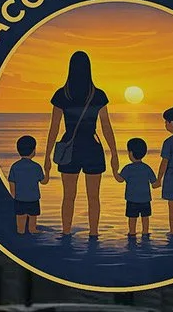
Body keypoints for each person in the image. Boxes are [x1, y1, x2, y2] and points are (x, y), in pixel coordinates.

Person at [42, 51, 117, 238]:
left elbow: (54, 128)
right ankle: (94, 234)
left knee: (68, 196)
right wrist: (114, 153)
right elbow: (106, 126)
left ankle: (66, 232)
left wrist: (47, 156)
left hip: (70, 148)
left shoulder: (62, 95)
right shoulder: (98, 95)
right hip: (92, 147)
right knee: (94, 197)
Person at [115, 138, 156, 239]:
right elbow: (154, 182)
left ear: (131, 153)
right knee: (145, 218)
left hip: (132, 199)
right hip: (145, 199)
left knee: (132, 218)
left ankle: (132, 233)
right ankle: (145, 233)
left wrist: (114, 171)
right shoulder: (147, 168)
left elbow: (120, 179)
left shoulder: (128, 168)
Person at [6, 135, 45, 235]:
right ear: (33, 150)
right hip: (33, 199)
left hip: (20, 199)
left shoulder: (15, 166)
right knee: (32, 224)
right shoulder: (36, 167)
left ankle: (21, 232)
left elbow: (12, 182)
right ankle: (33, 230)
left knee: (20, 225)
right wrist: (47, 172)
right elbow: (43, 181)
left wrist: (14, 196)